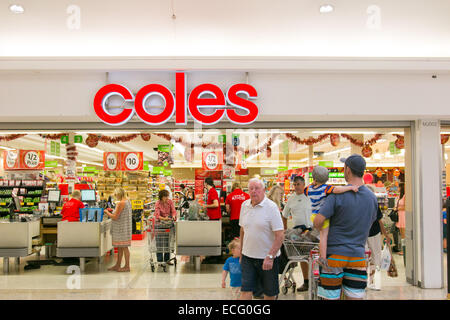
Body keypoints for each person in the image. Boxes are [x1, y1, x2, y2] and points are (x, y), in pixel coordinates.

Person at [313, 154, 378, 300]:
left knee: (330, 297)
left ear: (347, 170)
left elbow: (318, 222)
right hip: (358, 256)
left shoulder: (337, 195)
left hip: (334, 256)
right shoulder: (372, 198)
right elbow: (371, 222)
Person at [306, 166, 359, 292]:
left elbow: (305, 191)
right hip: (323, 215)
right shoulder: (325, 188)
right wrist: (350, 187)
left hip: (313, 215)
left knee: (320, 236)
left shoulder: (308, 189)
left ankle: (321, 256)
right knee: (324, 237)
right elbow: (338, 190)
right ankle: (323, 259)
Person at [239, 178, 284, 300]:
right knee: (245, 290)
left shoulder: (271, 207)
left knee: (269, 293)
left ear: (264, 190)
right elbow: (243, 230)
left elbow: (280, 235)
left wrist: (270, 256)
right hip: (248, 257)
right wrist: (241, 252)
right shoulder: (244, 205)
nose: (254, 191)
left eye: (257, 188)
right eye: (251, 189)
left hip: (267, 258)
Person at [280, 176, 313, 292]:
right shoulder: (291, 199)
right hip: (298, 232)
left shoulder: (311, 197)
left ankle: (316, 281)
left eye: (299, 184)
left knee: (314, 258)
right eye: (295, 184)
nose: (296, 186)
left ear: (304, 185)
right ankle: (307, 282)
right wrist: (284, 230)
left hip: (312, 231)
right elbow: (284, 216)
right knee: (303, 258)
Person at [365, 184, 391, 290]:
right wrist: (386, 234)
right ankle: (370, 281)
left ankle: (364, 280)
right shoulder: (374, 204)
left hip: (362, 234)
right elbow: (380, 221)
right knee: (375, 257)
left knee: (364, 257)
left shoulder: (358, 204)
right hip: (374, 233)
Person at [105, 187, 132, 272]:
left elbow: (115, 217)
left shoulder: (121, 203)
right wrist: (113, 210)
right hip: (125, 227)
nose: (115, 197)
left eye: (116, 195)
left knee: (124, 247)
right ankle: (118, 265)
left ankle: (127, 266)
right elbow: (121, 213)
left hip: (121, 228)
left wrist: (107, 212)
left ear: (119, 194)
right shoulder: (128, 201)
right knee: (121, 247)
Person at [154, 189, 177, 263]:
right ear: (161, 197)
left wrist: (173, 216)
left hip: (168, 224)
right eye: (165, 196)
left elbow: (173, 211)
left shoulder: (170, 202)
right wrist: (164, 218)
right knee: (159, 242)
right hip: (160, 224)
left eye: (167, 196)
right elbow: (157, 215)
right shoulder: (158, 203)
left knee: (168, 242)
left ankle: (167, 260)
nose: (167, 198)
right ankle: (160, 260)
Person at [396, 184, 406, 256]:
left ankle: (404, 250)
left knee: (404, 234)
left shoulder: (405, 196)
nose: (397, 188)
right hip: (400, 215)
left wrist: (397, 208)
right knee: (402, 235)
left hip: (403, 216)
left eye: (398, 187)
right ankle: (403, 249)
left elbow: (406, 206)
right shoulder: (400, 196)